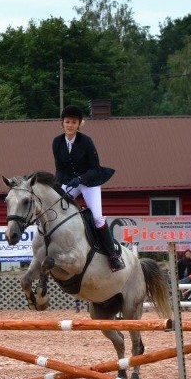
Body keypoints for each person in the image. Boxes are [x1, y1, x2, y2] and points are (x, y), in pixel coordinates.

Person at [52, 105, 122, 271]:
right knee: (55, 209)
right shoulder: (57, 142)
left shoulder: (86, 142)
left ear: (79, 124)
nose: (70, 125)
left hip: (90, 183)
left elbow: (95, 169)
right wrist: (58, 185)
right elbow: (60, 169)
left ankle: (112, 255)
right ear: (62, 123)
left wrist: (81, 179)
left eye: (73, 122)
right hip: (70, 182)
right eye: (67, 122)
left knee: (97, 217)